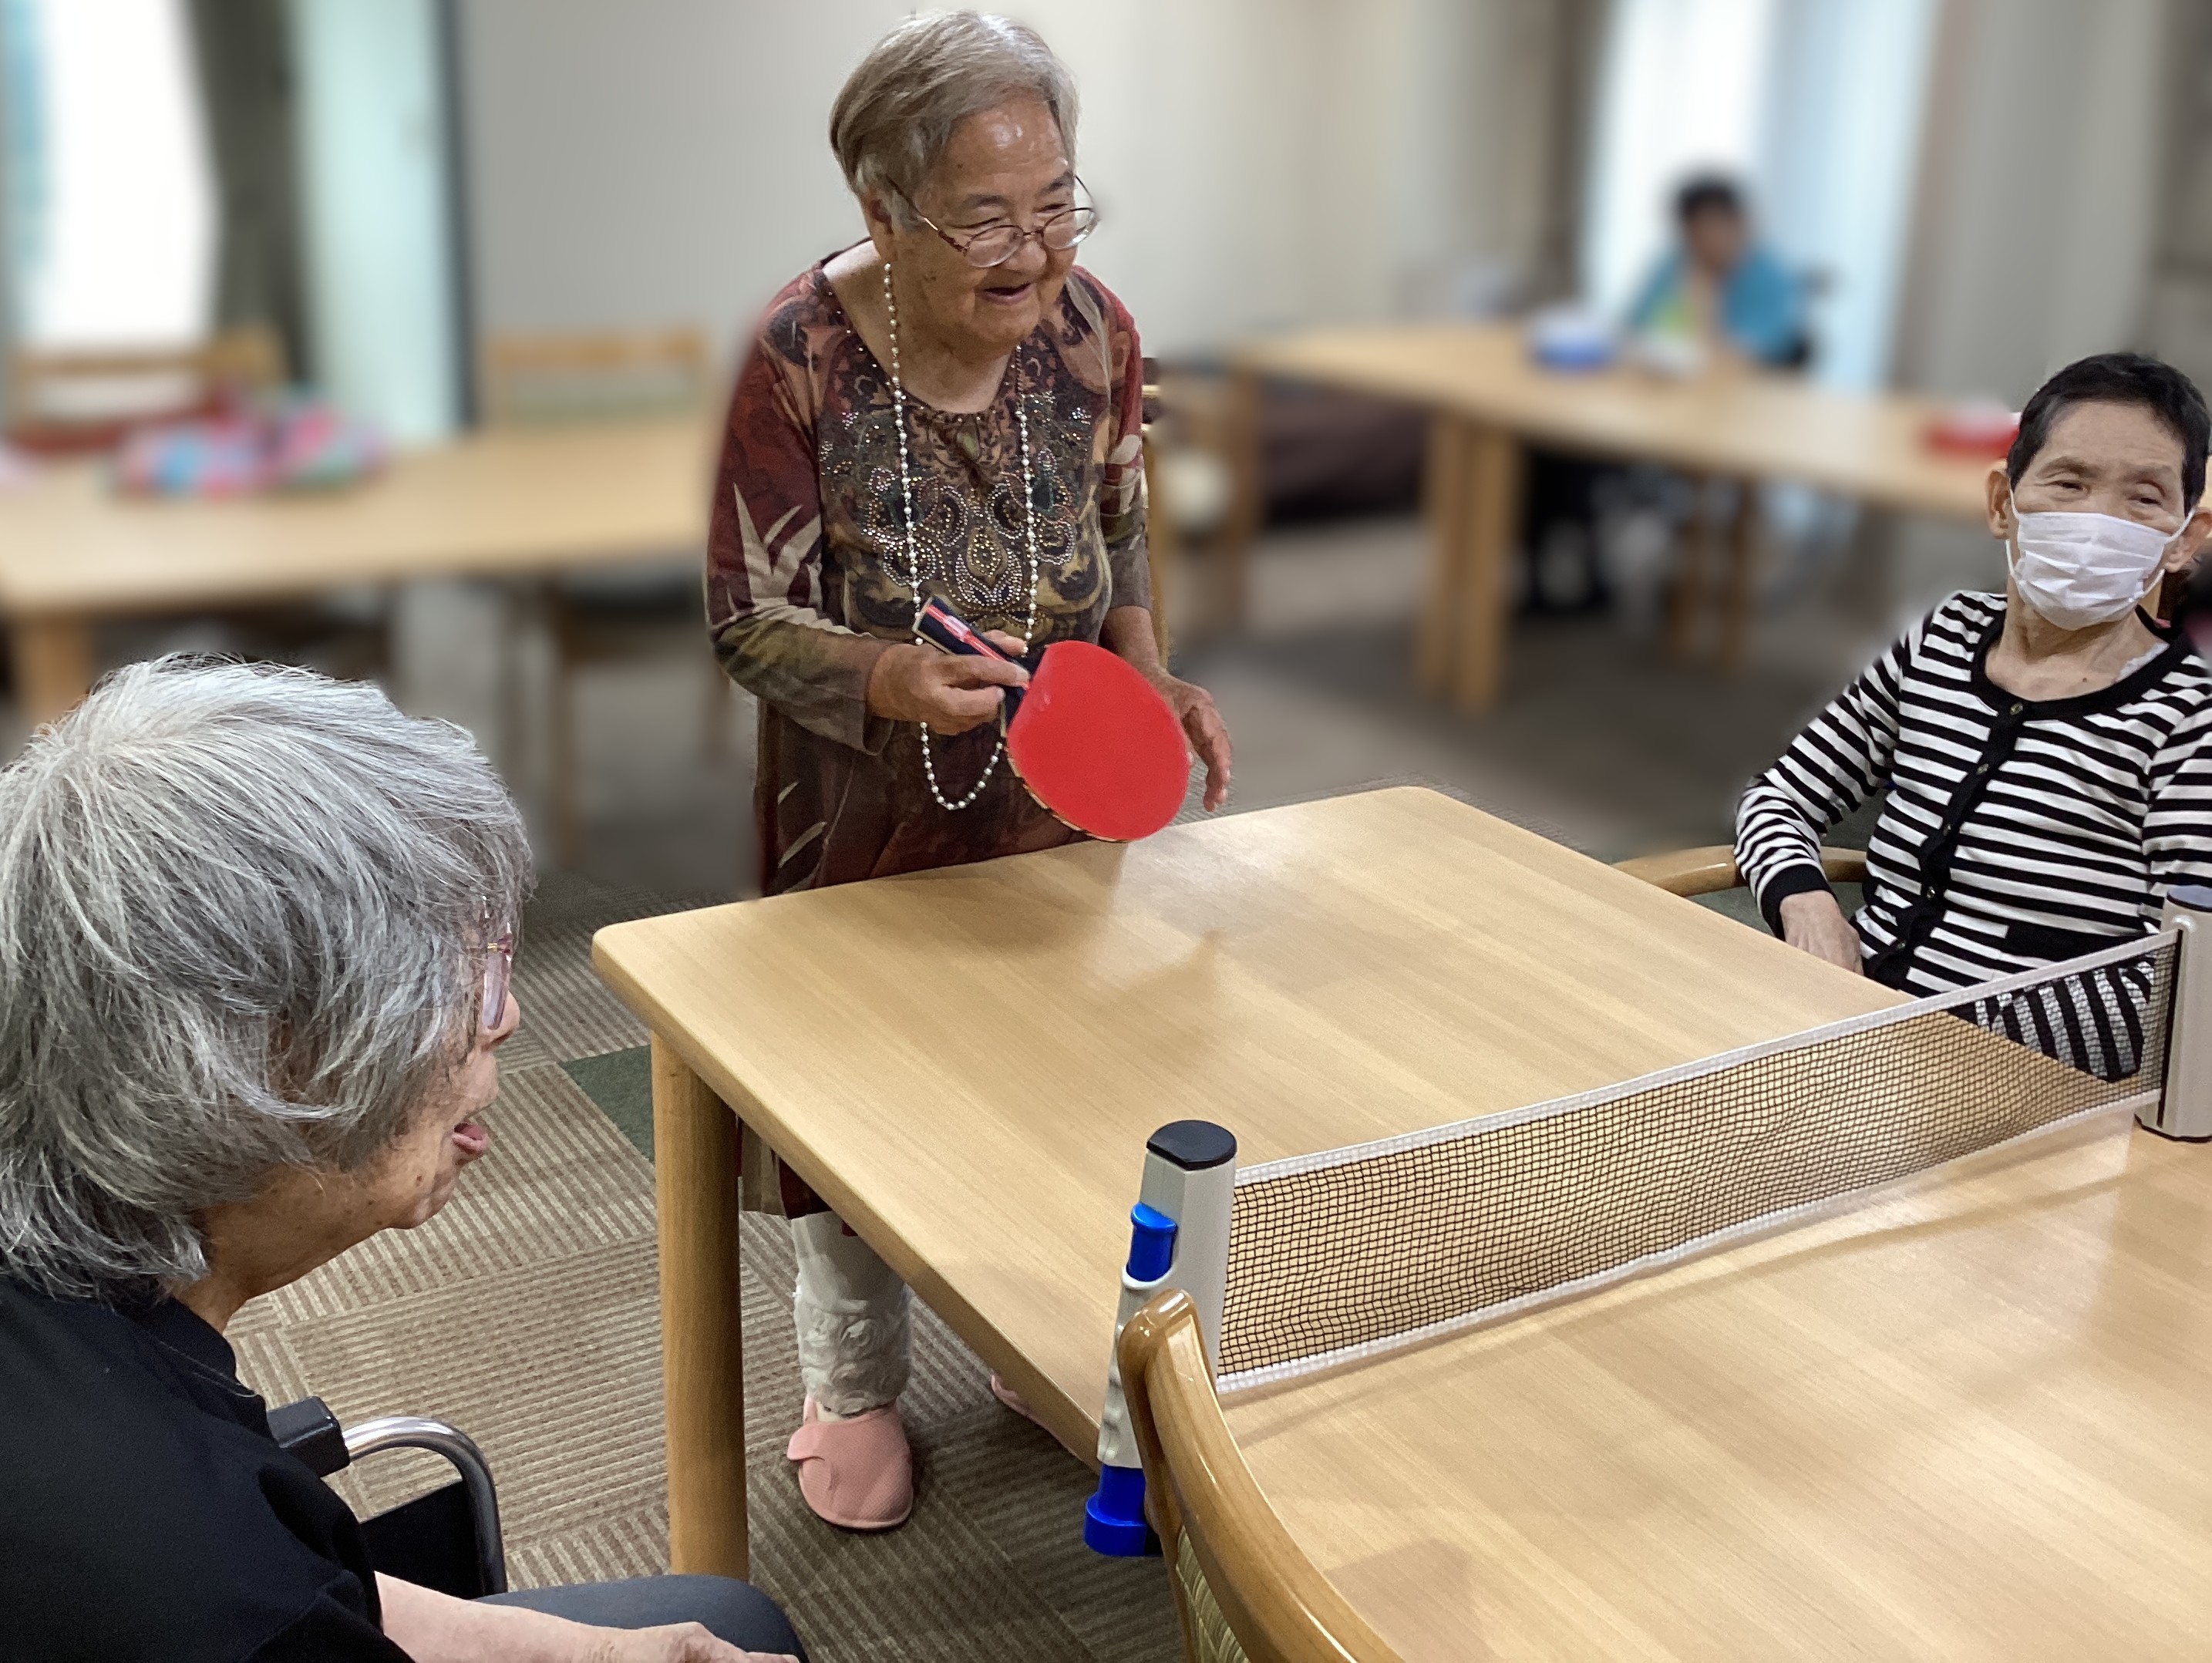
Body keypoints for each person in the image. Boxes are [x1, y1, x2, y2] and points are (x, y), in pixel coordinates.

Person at [0, 659, 803, 1663]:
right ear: (261, 1063)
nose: (505, 1017)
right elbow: (276, 1605)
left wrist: (591, 1653)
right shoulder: (214, 1594)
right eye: (464, 986)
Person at [705, 12, 1231, 1531]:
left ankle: (1018, 1319)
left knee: (1058, 1072)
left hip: (1058, 795)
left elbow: (1119, 518)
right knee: (856, 1099)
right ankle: (851, 1380)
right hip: (864, 805)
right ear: (882, 211)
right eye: (988, 217)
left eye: (1059, 203)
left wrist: (1143, 658)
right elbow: (746, 616)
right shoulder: (796, 358)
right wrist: (882, 675)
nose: (1037, 249)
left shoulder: (1098, 330)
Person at [1737, 352, 2212, 1075]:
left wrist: (1925, 1031)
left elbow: (2178, 991)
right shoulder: (1944, 637)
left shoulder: (2187, 722)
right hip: (1833, 1035)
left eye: (2143, 498)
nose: (2097, 520)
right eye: (2069, 481)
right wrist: (1806, 905)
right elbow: (1778, 798)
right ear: (2002, 504)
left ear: (2184, 538)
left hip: (2000, 1091)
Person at [1628, 174, 1806, 369]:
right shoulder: (1673, 264)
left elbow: (1751, 350)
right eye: (1698, 234)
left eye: (1719, 227)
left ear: (1742, 223)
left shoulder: (1771, 274)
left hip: (1753, 384)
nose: (1712, 242)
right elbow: (1635, 328)